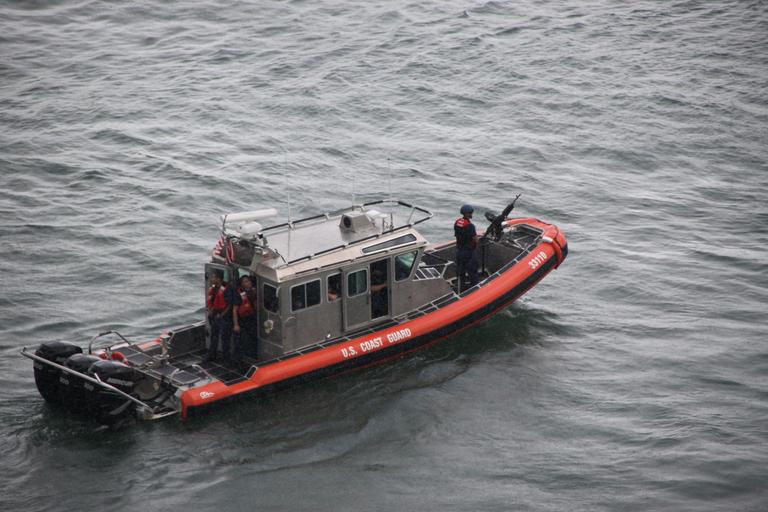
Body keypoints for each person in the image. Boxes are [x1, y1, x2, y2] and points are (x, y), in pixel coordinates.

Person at [233, 275, 258, 360]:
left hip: (252, 318)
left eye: (249, 281)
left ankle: (253, 355)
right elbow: (235, 309)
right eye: (246, 281)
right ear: (242, 284)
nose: (248, 283)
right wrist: (236, 324)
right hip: (243, 320)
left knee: (254, 337)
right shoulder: (239, 294)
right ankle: (239, 358)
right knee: (242, 340)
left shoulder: (254, 291)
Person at [454, 204, 479, 289]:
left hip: (459, 250)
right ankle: (475, 287)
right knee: (472, 269)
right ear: (468, 213)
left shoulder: (457, 222)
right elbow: (475, 239)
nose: (471, 214)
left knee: (460, 270)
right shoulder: (470, 226)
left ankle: (461, 287)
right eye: (471, 213)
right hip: (468, 252)